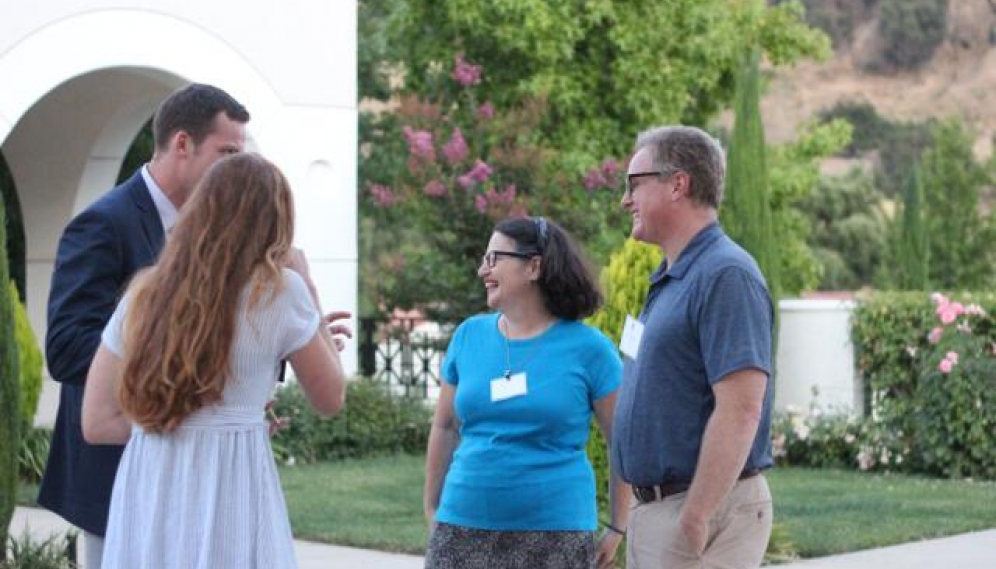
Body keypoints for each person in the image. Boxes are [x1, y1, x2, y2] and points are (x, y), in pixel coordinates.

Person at [81, 152, 348, 568]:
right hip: (232, 484)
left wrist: (178, 422)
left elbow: (96, 422)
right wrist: (309, 287)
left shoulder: (144, 294)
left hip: (152, 483)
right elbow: (330, 397)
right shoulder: (281, 291)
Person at [38, 82, 250, 568]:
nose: (236, 169)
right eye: (227, 153)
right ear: (182, 144)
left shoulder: (215, 233)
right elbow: (68, 349)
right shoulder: (102, 224)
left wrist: (282, 338)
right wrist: (173, 347)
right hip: (116, 477)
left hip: (198, 480)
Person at [423, 216, 629, 569]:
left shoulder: (590, 349)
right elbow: (444, 427)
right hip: (462, 524)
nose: (481, 270)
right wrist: (432, 508)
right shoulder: (468, 336)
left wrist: (617, 525)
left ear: (533, 266)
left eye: (493, 259)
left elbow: (622, 441)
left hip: (555, 534)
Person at [612, 125, 775, 569]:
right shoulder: (672, 279)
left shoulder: (726, 275)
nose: (626, 200)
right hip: (660, 512)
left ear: (678, 184)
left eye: (634, 185)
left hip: (697, 511)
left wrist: (696, 516)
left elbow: (742, 408)